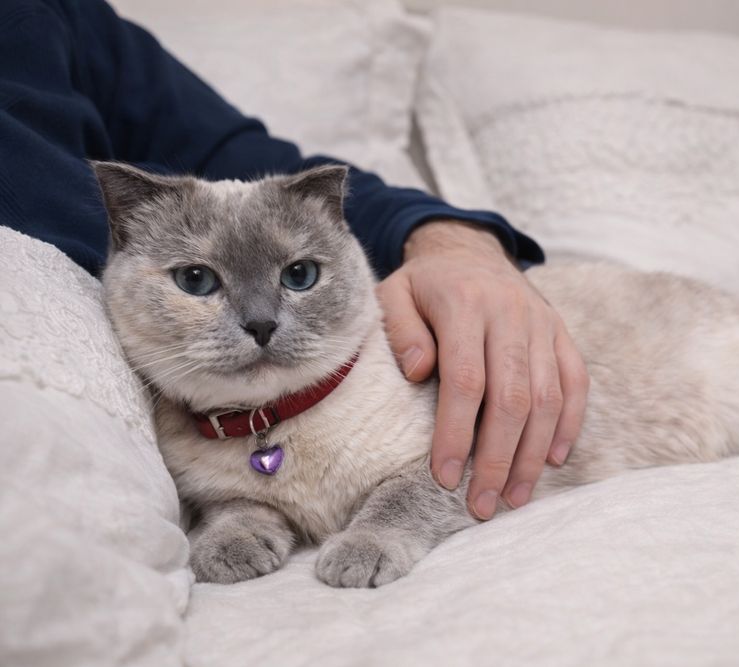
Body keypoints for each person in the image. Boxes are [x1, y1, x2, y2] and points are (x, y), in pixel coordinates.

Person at [0, 0, 589, 520]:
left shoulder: (50, 14)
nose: (259, 321)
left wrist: (452, 239)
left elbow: (238, 156)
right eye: (199, 279)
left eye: (298, 276)